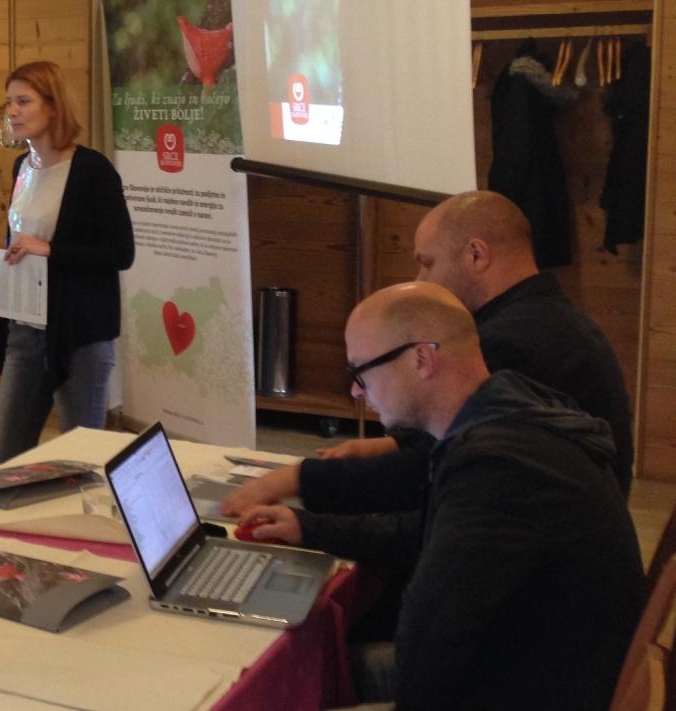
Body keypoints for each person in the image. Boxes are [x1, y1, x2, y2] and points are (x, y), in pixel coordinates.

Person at [237, 282, 645, 709]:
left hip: (532, 689)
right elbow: (428, 533)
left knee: (289, 686)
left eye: (361, 370)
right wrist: (308, 527)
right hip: (537, 664)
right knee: (317, 667)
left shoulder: (498, 465)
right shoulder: (506, 415)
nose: (356, 390)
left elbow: (432, 629)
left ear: (422, 359)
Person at [223, 190, 632, 524]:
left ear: (476, 255)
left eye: (427, 264)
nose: (420, 281)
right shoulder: (546, 316)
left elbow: (431, 473)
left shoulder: (509, 343)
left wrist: (298, 480)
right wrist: (385, 446)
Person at [0, 61, 135, 462]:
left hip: (79, 334)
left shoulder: (93, 171)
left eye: (24, 101)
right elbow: (20, 241)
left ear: (53, 107)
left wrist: (51, 249)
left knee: (81, 459)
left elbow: (121, 253)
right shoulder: (21, 166)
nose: (12, 111)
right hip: (25, 330)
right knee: (6, 459)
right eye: (9, 102)